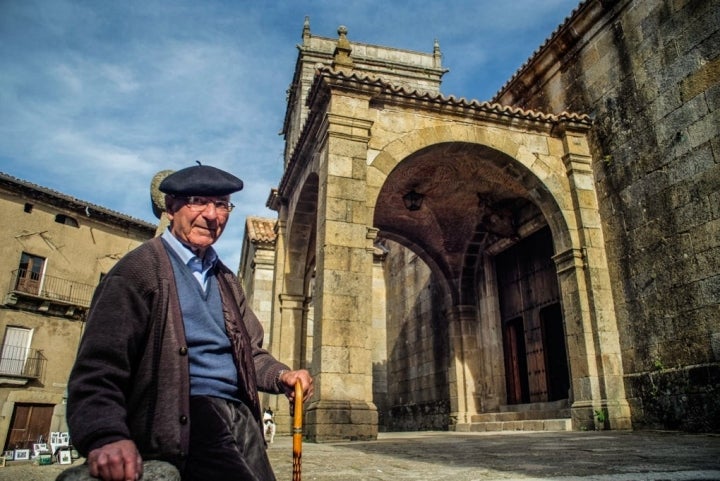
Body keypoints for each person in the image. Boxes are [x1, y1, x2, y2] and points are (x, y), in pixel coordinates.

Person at [65, 163, 313, 481]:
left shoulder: (226, 279)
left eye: (222, 204)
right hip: (188, 414)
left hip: (239, 415)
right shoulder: (138, 270)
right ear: (171, 208)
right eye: (198, 201)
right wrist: (105, 435)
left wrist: (282, 375)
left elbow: (249, 352)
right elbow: (98, 368)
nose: (212, 215)